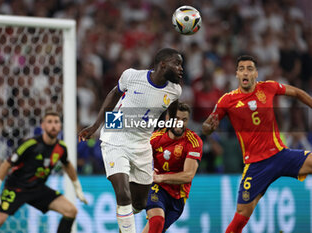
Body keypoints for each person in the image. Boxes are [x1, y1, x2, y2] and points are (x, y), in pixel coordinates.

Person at [202, 55, 312, 233]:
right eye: (242, 68)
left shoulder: (268, 87)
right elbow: (207, 126)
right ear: (237, 74)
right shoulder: (227, 100)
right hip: (255, 165)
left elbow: (298, 93)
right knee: (240, 216)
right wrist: (209, 127)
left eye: (250, 68)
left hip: (280, 155)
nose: (245, 72)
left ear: (256, 73)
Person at [79, 48, 183, 233]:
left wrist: (169, 126)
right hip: (115, 137)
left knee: (140, 203)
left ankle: (124, 224)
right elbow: (113, 94)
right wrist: (95, 126)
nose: (181, 69)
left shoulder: (175, 90)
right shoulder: (132, 76)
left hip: (142, 144)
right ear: (163, 64)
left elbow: (172, 107)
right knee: (123, 195)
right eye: (177, 64)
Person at [0, 111, 88, 233]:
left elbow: (67, 164)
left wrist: (77, 187)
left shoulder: (61, 148)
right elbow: (7, 164)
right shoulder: (30, 144)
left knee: (71, 211)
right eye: (49, 122)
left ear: (60, 126)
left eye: (56, 122)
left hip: (38, 189)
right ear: (43, 126)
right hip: (16, 188)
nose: (53, 125)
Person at [142, 103, 203, 233]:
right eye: (176, 119)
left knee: (155, 229)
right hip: (157, 188)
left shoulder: (193, 141)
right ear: (168, 119)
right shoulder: (155, 139)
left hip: (178, 196)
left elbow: (188, 175)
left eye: (184, 120)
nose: (180, 123)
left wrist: (160, 177)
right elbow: (138, 160)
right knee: (157, 220)